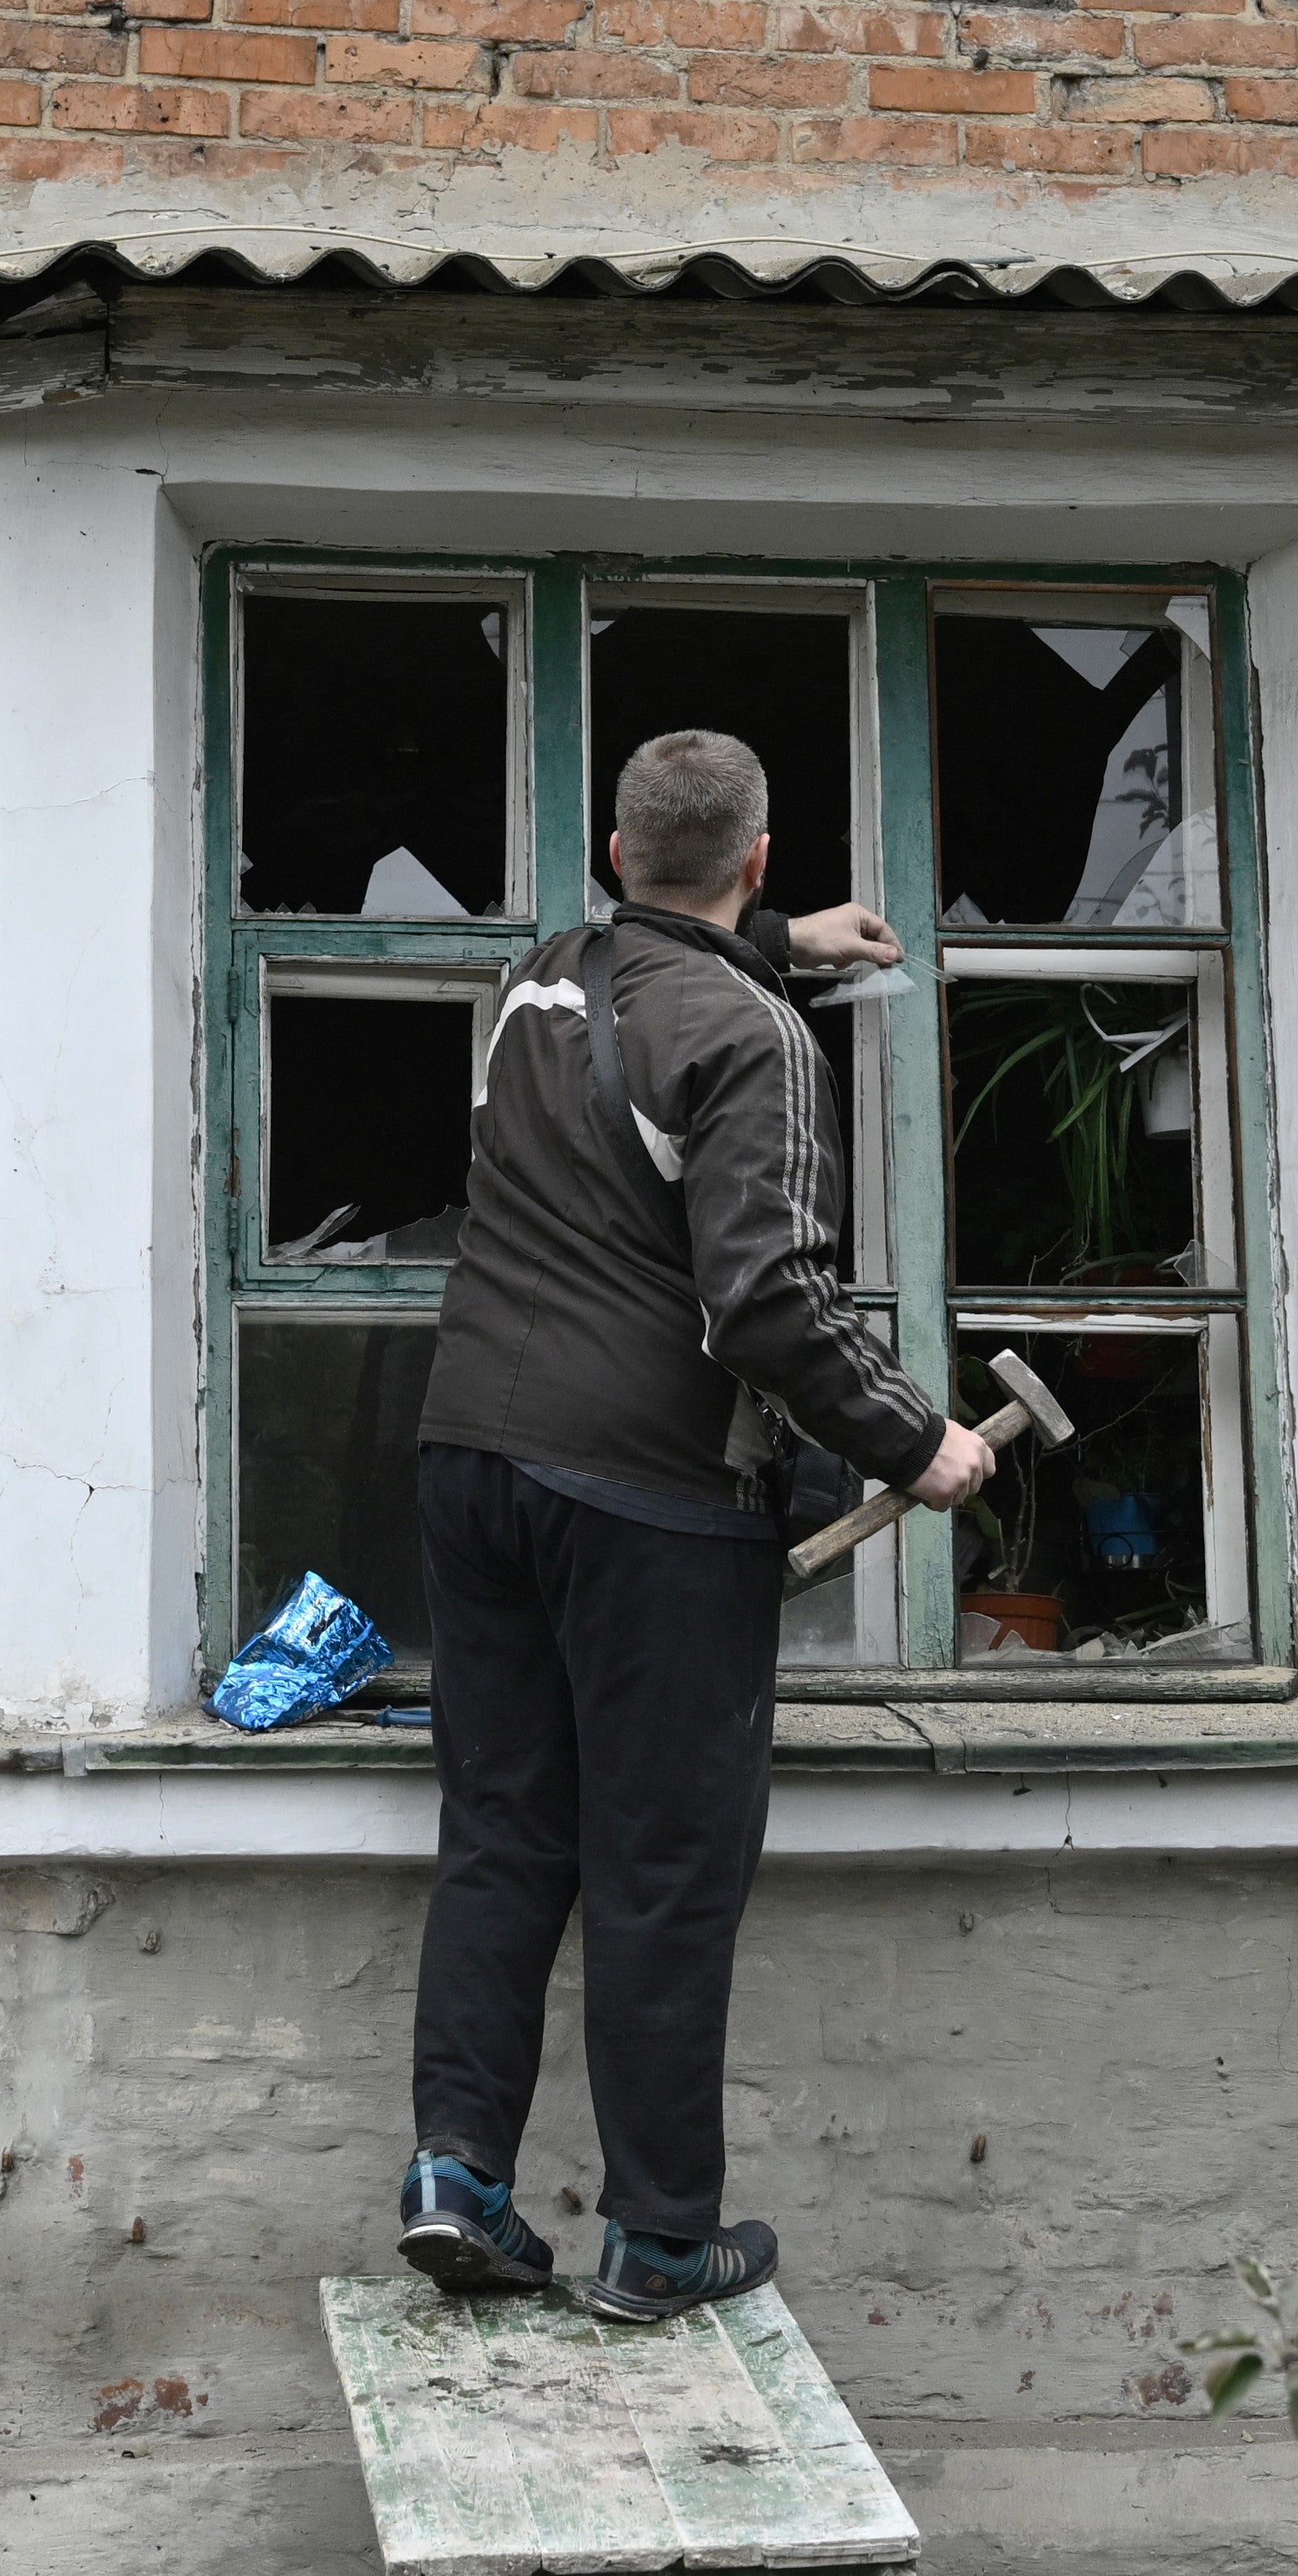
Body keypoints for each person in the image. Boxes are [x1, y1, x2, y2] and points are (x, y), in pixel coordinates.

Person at [390, 726, 998, 2324]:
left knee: (505, 1833)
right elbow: (768, 1303)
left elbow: (647, 986)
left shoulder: (539, 977)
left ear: (610, 855)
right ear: (757, 856)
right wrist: (911, 1435)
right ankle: (660, 2239)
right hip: (645, 1498)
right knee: (660, 1867)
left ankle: (456, 2182)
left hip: (469, 1460)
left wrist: (787, 943)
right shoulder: (756, 1042)